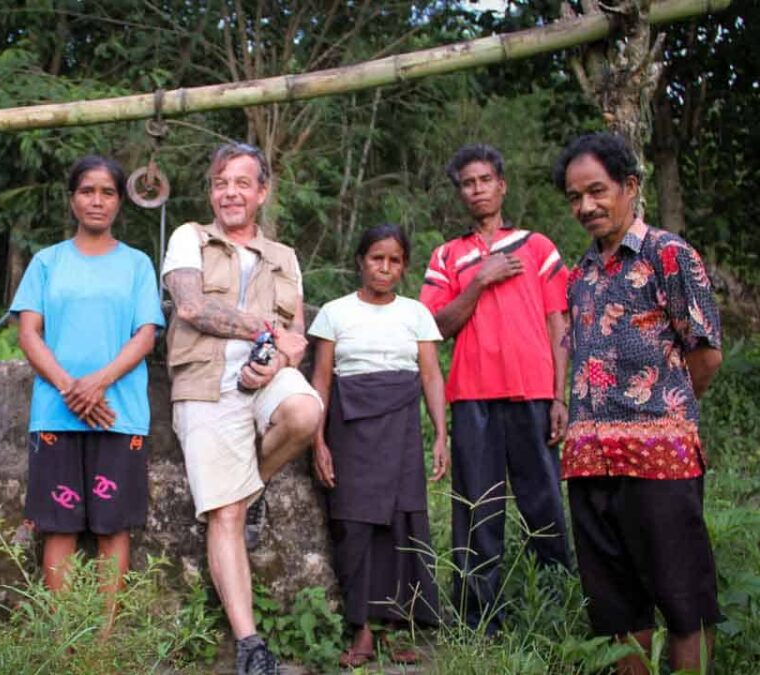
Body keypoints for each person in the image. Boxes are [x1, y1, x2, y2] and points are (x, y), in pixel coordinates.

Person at [553, 132, 722, 674]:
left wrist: (661, 413)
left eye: (597, 192)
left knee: (682, 598)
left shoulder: (668, 256)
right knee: (616, 605)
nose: (586, 206)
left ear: (629, 186)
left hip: (660, 459)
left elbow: (705, 356)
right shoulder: (580, 276)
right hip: (588, 460)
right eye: (575, 197)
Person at [162, 142, 322, 675]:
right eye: (220, 182)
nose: (230, 192)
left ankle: (247, 486)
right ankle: (251, 644)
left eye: (241, 182)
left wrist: (274, 360)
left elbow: (297, 337)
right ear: (212, 191)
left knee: (304, 410)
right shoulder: (189, 237)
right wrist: (268, 333)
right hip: (206, 382)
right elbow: (190, 306)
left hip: (266, 378)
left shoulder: (284, 258)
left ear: (262, 191)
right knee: (225, 514)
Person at [418, 143, 572, 633]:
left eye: (485, 179)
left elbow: (558, 323)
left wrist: (560, 395)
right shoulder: (448, 256)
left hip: (533, 394)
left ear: (502, 184)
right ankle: (480, 621)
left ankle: (557, 609)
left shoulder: (537, 247)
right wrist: (479, 281)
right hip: (472, 398)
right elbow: (437, 326)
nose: (478, 189)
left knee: (544, 502)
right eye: (468, 183)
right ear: (460, 193)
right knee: (476, 509)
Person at [10, 155, 165, 615]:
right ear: (72, 198)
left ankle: (102, 644)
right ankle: (62, 642)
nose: (97, 201)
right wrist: (69, 388)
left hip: (118, 413)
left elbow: (146, 335)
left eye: (107, 192)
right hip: (56, 413)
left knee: (112, 528)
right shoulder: (46, 262)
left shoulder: (137, 265)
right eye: (87, 191)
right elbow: (28, 332)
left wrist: (97, 382)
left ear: (120, 201)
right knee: (57, 527)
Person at [308, 224, 449, 668]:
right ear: (360, 261)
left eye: (393, 260)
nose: (384, 267)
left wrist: (442, 434)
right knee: (354, 525)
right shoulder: (334, 312)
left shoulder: (416, 314)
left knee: (402, 524)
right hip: (349, 428)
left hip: (403, 428)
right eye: (376, 258)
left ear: (404, 266)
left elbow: (430, 375)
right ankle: (362, 631)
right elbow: (322, 378)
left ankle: (394, 629)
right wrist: (317, 440)